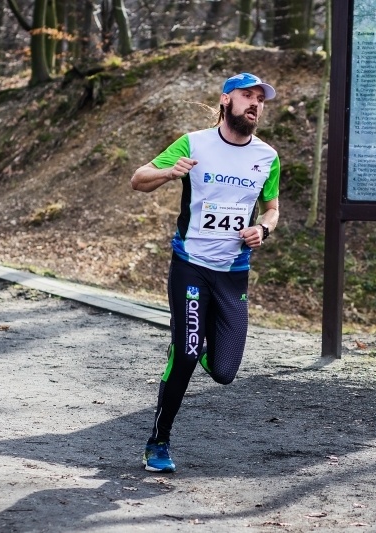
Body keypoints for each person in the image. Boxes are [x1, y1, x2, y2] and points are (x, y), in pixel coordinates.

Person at [130, 72, 280, 473]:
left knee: (226, 372)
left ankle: (191, 342)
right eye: (246, 96)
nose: (255, 104)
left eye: (260, 99)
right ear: (226, 101)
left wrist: (262, 228)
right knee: (187, 352)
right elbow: (138, 179)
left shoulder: (266, 156)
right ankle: (158, 442)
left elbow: (272, 208)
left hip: (233, 272)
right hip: (190, 266)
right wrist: (168, 173)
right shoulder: (193, 143)